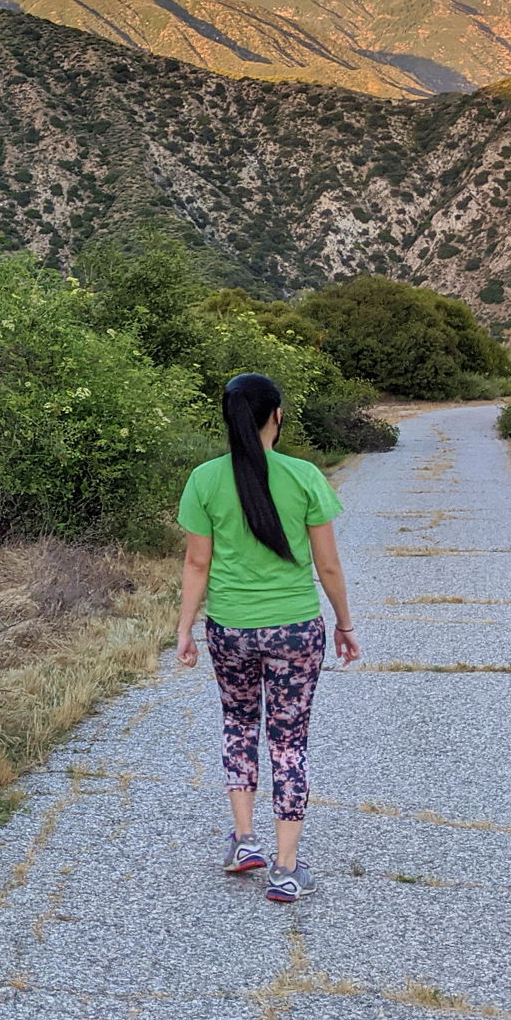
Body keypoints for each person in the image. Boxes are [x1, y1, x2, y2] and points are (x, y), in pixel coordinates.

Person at [175, 373, 359, 903]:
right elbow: (327, 564)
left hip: (229, 628)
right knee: (289, 742)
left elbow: (197, 562)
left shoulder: (205, 480)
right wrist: (344, 624)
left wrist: (186, 629)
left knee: (238, 724)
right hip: (296, 628)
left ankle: (244, 841)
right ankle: (285, 867)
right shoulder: (303, 475)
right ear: (276, 415)